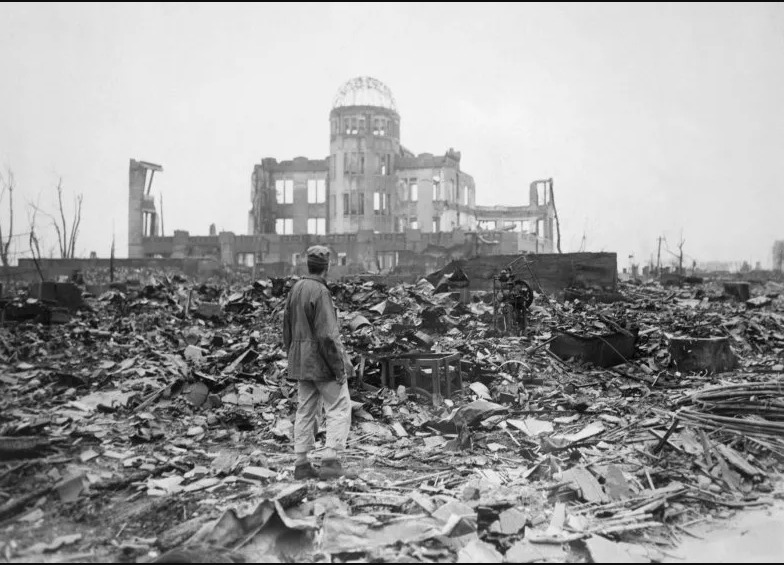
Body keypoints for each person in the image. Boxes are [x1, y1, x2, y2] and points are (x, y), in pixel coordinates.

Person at [283, 245, 354, 480]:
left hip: (301, 362)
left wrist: (293, 356)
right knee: (339, 406)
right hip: (321, 362)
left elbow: (286, 329)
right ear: (327, 267)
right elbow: (327, 336)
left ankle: (301, 463)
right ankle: (330, 460)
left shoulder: (296, 289)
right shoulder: (320, 292)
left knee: (305, 409)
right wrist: (339, 367)